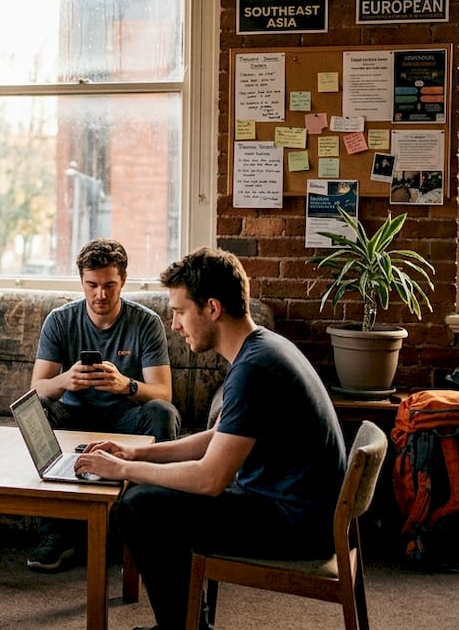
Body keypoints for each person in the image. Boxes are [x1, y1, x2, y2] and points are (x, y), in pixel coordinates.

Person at [74, 247, 346, 630]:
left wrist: (123, 470)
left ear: (212, 308)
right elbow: (219, 436)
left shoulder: (253, 369)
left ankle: (182, 629)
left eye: (180, 312)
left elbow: (209, 479)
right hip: (299, 511)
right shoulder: (262, 347)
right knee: (147, 498)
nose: (174, 325)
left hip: (295, 526)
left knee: (139, 506)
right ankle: (187, 624)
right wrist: (136, 454)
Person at [27, 237, 179, 572]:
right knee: (36, 409)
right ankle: (54, 533)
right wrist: (66, 380)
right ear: (81, 281)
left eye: (109, 285)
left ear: (123, 280)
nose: (100, 294)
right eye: (92, 285)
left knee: (162, 413)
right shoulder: (60, 320)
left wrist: (127, 385)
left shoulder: (146, 322)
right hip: (73, 416)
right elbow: (37, 388)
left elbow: (163, 393)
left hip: (125, 418)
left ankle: (147, 531)